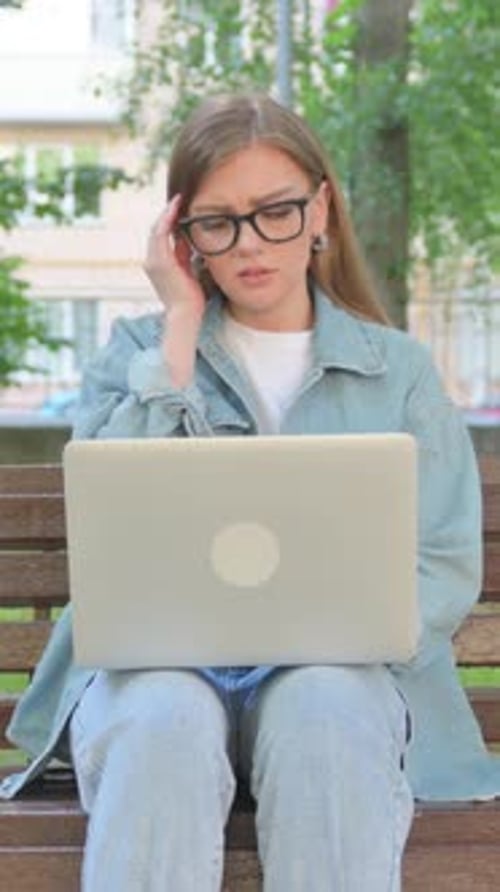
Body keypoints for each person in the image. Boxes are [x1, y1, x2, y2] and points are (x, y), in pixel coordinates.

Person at [1, 92, 500, 892]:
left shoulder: (397, 370)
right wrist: (178, 328)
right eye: (218, 222)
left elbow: (440, 562)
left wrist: (341, 632)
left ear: (320, 210)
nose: (249, 243)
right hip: (159, 674)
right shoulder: (138, 353)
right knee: (163, 717)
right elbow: (108, 522)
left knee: (325, 710)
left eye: (275, 211)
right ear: (181, 234)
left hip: (337, 677)